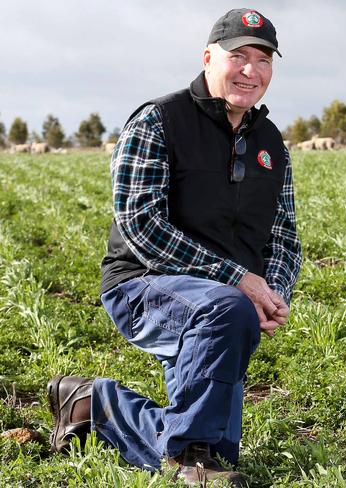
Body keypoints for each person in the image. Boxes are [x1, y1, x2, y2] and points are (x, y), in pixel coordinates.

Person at [46, 8, 301, 486]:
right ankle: (195, 460)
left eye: (263, 59)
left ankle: (95, 406)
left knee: (212, 425)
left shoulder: (272, 143)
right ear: (208, 58)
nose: (251, 70)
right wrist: (237, 282)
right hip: (142, 285)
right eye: (238, 56)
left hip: (227, 304)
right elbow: (141, 224)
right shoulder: (159, 121)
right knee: (222, 331)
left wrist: (271, 293)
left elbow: (284, 235)